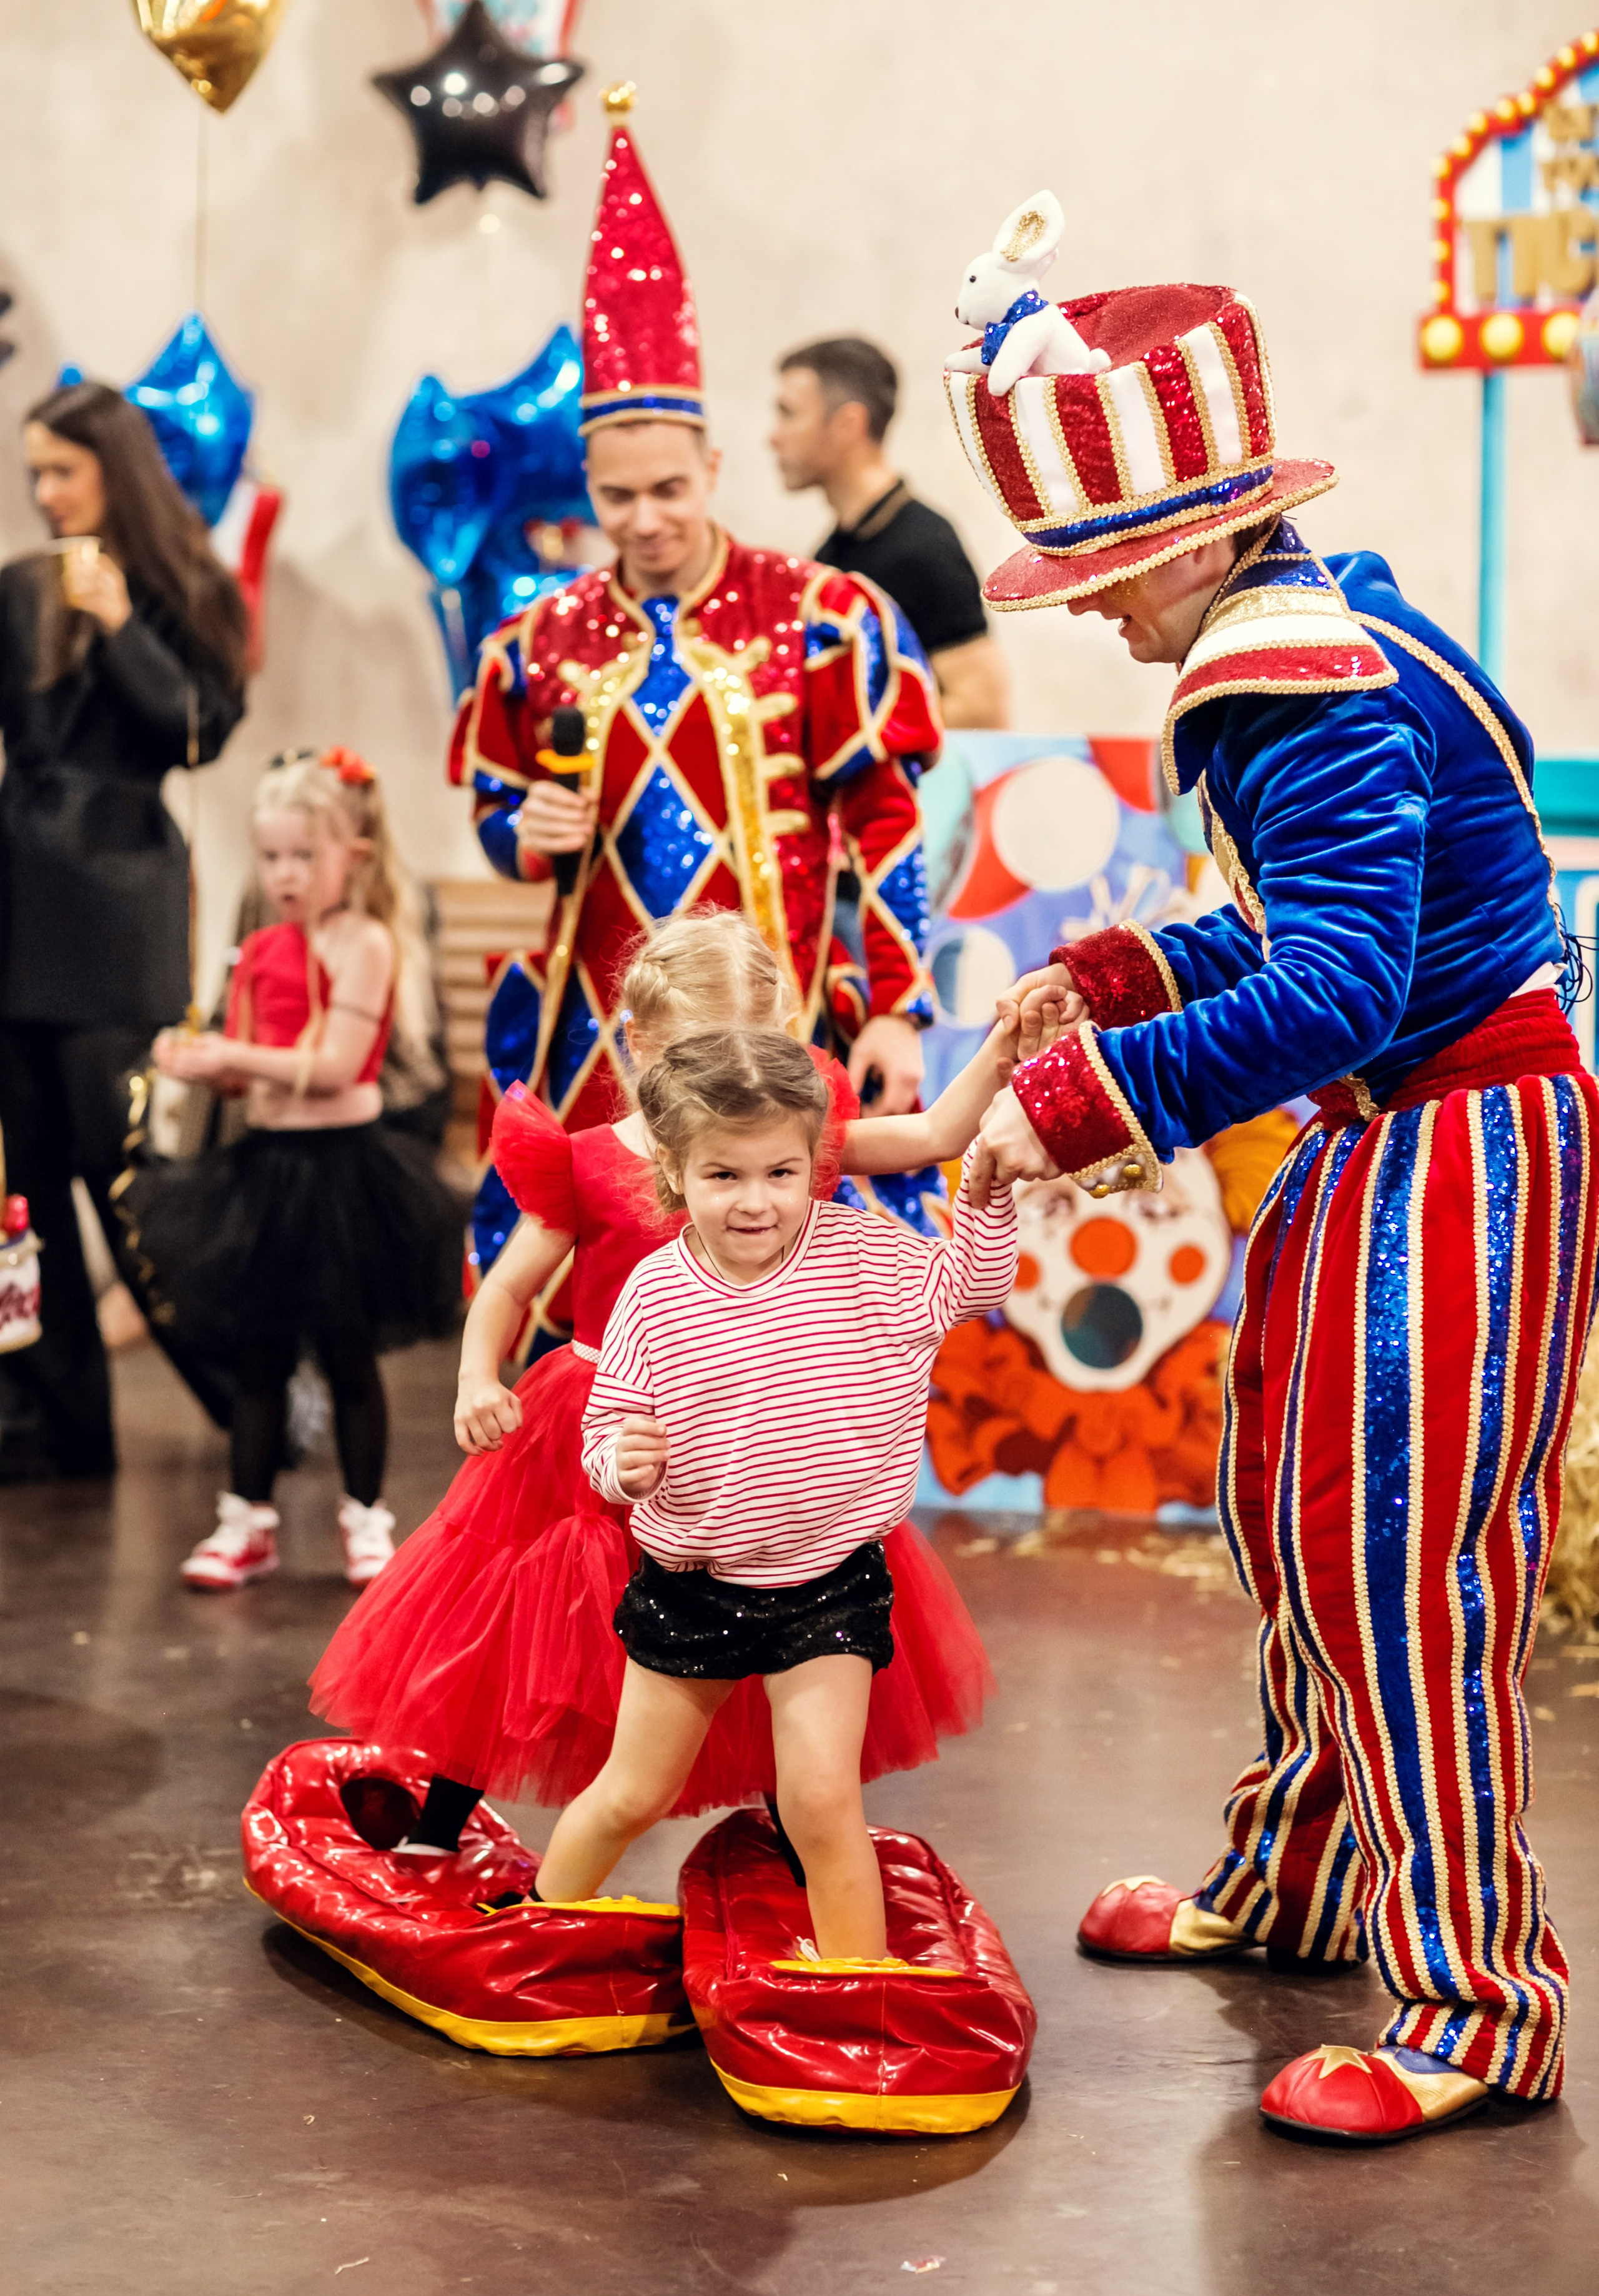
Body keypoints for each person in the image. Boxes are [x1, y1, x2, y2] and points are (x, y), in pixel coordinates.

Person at [955, 278, 1597, 2144]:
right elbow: (1333, 936)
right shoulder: (1308, 627)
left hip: (1455, 1138)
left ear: (1218, 524)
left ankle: (1482, 1999)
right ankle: (1307, 1869)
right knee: (1294, 1507)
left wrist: (1071, 1111)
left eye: (1111, 557)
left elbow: (1335, 984)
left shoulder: (1288, 679)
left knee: (1401, 1554)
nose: (1086, 597)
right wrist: (1119, 969)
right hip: (1388, 1126)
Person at [311, 908, 1018, 1857]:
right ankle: (443, 1824)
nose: (727, 1079)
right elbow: (513, 1284)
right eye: (700, 1053)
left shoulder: (780, 1143)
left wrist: (1007, 1052)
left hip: (740, 1424)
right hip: (604, 1417)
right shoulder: (590, 1161)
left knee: (772, 1608)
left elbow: (935, 1131)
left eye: (752, 1050)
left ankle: (797, 1825)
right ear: (640, 1048)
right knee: (522, 1629)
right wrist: (478, 1377)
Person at [454, 89, 944, 1293]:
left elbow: (883, 818)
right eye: (618, 498)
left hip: (775, 1028)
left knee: (786, 1298)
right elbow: (494, 810)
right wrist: (526, 831)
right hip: (598, 1037)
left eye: (671, 488)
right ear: (588, 487)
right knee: (594, 1293)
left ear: (714, 466)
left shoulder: (827, 617)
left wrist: (896, 1008)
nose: (647, 520)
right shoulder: (535, 640)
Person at [534, 1025, 1017, 1954]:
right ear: (675, 1174)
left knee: (823, 1801)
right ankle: (537, 1937)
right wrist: (617, 1465)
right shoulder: (654, 1293)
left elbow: (972, 1282)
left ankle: (860, 1993)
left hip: (829, 1584)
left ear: (813, 1164)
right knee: (632, 1793)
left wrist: (988, 1190)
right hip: (692, 1587)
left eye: (780, 1175)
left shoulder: (861, 1257)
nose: (757, 1203)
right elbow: (606, 1430)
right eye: (724, 1177)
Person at [126, 750, 465, 1591]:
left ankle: (365, 1517)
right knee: (259, 1356)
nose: (284, 874)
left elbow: (342, 1063)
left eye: (302, 856)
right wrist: (201, 1062)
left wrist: (233, 1055)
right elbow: (258, 1069)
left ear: (350, 854)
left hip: (344, 1174)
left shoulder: (370, 941)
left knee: (349, 1354)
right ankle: (246, 1519)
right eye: (271, 856)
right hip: (267, 1168)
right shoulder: (264, 947)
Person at [0, 379, 248, 1478]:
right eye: (34, 474)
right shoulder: (18, 589)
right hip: (20, 896)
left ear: (114, 468)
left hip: (118, 901)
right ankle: (54, 1420)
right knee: (28, 1184)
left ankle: (247, 1394)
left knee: (134, 1172)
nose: (46, 493)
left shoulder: (183, 581)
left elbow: (199, 730)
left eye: (62, 470)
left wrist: (118, 626)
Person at [771, 335, 1009, 731]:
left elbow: (982, 710)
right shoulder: (837, 549)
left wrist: (844, 729)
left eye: (789, 413)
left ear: (849, 423)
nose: (773, 436)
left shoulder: (922, 548)